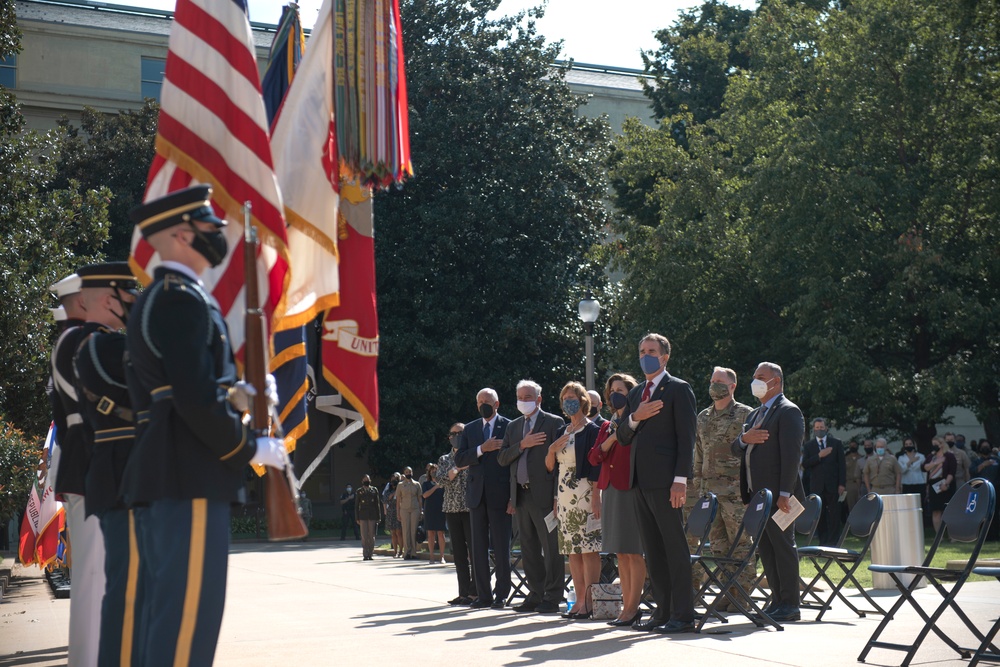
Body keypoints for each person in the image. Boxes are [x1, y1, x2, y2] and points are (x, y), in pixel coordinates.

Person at [122, 185, 287, 666]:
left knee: (172, 621)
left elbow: (182, 388)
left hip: (174, 469)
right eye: (209, 227)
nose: (218, 234)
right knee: (185, 629)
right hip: (185, 474)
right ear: (180, 233)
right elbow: (192, 399)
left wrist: (241, 394)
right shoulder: (180, 300)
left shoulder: (169, 296)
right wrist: (247, 447)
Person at [71, 263, 140, 667]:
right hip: (120, 474)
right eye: (129, 294)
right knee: (127, 586)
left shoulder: (103, 343)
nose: (134, 301)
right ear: (111, 298)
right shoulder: (100, 346)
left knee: (130, 584)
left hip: (118, 471)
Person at [615, 333, 698, 634]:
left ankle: (683, 615)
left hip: (666, 482)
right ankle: (662, 612)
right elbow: (623, 435)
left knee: (674, 548)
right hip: (640, 481)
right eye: (641, 350)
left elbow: (686, 438)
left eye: (651, 351)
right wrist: (635, 417)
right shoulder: (636, 393)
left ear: (665, 357)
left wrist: (680, 480)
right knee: (653, 549)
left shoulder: (678, 389)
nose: (645, 355)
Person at [49, 268, 110, 667]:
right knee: (92, 578)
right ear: (84, 301)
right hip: (89, 465)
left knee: (93, 577)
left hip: (82, 465)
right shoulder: (81, 341)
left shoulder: (71, 340)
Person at [731, 361, 805, 623]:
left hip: (781, 497)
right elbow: (735, 448)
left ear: (776, 381)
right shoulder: (754, 414)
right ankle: (777, 601)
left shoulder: (788, 411)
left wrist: (785, 493)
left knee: (783, 547)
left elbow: (792, 456)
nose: (755, 381)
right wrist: (744, 439)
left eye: (760, 377)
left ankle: (791, 604)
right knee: (767, 548)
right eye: (753, 377)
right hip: (757, 497)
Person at [497, 380, 565, 615]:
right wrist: (522, 445)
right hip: (521, 496)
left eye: (528, 397)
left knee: (551, 548)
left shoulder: (554, 422)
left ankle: (553, 596)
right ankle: (535, 594)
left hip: (545, 496)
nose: (523, 401)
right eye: (520, 397)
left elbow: (560, 464)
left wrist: (557, 496)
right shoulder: (513, 427)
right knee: (529, 549)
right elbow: (502, 458)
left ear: (539, 399)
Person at [689, 367, 755, 606]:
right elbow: (698, 453)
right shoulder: (703, 417)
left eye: (720, 381)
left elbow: (753, 455)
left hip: (737, 494)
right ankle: (728, 594)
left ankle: (742, 598)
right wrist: (698, 483)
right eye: (712, 381)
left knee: (741, 546)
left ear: (732, 386)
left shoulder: (746, 415)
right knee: (718, 548)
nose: (714, 385)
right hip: (709, 494)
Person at [588, 372, 646, 627]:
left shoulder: (640, 422)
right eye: (612, 390)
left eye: (621, 390)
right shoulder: (607, 424)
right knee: (621, 553)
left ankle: (633, 607)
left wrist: (612, 440)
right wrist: (612, 437)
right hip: (610, 489)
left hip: (631, 488)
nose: (615, 394)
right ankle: (625, 606)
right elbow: (594, 457)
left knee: (634, 552)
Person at [545, 382, 601, 619]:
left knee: (588, 549)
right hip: (565, 496)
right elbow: (551, 468)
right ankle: (578, 601)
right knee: (572, 551)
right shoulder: (562, 431)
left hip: (586, 492)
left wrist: (597, 498)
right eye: (565, 397)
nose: (568, 401)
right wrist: (550, 450)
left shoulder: (592, 430)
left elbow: (597, 466)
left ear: (582, 401)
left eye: (572, 397)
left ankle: (590, 601)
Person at [454, 388, 512, 609]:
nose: (482, 405)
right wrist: (481, 449)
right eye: (479, 401)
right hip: (476, 496)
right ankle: (483, 595)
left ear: (497, 403)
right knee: (477, 549)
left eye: (487, 401)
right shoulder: (470, 429)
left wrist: (512, 498)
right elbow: (460, 459)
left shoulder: (509, 425)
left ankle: (501, 595)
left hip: (501, 496)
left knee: (501, 548)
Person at [436, 424, 476, 604]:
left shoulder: (473, 454)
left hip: (470, 509)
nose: (457, 436)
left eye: (461, 433)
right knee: (459, 553)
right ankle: (463, 593)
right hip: (452, 509)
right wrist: (458, 468)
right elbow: (441, 480)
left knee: (475, 552)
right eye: (453, 433)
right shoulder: (445, 459)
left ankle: (476, 591)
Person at [801, 417, 847, 544]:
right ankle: (823, 541)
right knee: (820, 516)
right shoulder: (809, 445)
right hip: (817, 486)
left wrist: (842, 484)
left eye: (821, 428)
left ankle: (834, 542)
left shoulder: (836, 443)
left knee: (834, 515)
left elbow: (842, 465)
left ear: (826, 428)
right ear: (813, 429)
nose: (819, 430)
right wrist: (819, 456)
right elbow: (805, 464)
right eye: (817, 428)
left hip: (833, 485)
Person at [924, 437, 957, 533]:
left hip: (946, 484)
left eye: (936, 444)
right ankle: (939, 536)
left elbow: (952, 471)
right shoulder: (931, 456)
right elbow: (924, 467)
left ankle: (952, 535)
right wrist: (935, 462)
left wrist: (946, 484)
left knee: (948, 511)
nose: (934, 446)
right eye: (932, 444)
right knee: (936, 511)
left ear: (941, 444)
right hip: (933, 486)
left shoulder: (949, 456)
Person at [396, 466, 423, 560]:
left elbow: (420, 498)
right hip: (404, 509)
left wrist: (421, 510)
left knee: (413, 531)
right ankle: (407, 552)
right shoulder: (400, 485)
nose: (408, 473)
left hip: (415, 509)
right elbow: (398, 499)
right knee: (406, 530)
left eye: (410, 472)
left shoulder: (417, 484)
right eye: (406, 472)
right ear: (404, 473)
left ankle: (414, 552)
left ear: (412, 472)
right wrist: (398, 512)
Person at [355, 475, 384, 560]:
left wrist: (379, 517)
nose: (366, 481)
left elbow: (377, 504)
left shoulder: (374, 490)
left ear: (370, 480)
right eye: (364, 480)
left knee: (371, 535)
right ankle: (365, 554)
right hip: (363, 516)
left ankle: (370, 553)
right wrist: (357, 517)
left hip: (372, 515)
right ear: (362, 481)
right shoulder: (359, 491)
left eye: (367, 479)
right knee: (364, 535)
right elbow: (357, 505)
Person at [422, 464, 446, 564]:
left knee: (441, 533)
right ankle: (431, 556)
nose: (434, 472)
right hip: (430, 510)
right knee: (430, 533)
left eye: (435, 470)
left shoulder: (443, 483)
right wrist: (435, 487)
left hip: (441, 510)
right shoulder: (426, 484)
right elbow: (425, 495)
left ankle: (442, 556)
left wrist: (439, 485)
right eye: (432, 470)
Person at [383, 473, 403, 557]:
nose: (394, 480)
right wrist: (393, 493)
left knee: (399, 532)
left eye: (396, 479)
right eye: (392, 479)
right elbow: (385, 499)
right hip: (391, 512)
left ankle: (401, 551)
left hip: (399, 511)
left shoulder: (401, 488)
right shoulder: (388, 490)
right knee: (393, 533)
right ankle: (395, 551)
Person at [844, 441, 864, 513]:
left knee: (861, 505)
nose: (853, 446)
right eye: (851, 445)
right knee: (851, 506)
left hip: (861, 484)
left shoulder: (862, 458)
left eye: (854, 445)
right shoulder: (845, 459)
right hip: (849, 484)